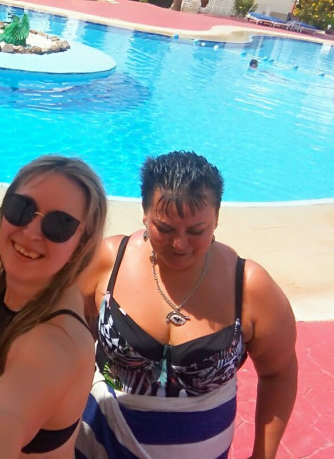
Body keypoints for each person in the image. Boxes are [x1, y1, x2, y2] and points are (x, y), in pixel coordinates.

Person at [76, 150, 297, 459]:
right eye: (164, 228)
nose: (179, 244)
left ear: (216, 219)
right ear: (144, 213)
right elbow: (65, 339)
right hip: (99, 444)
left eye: (196, 231)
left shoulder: (248, 287)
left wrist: (263, 454)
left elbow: (279, 372)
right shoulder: (108, 262)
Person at [0, 156, 108, 458]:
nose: (31, 232)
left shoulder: (56, 340)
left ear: (81, 242)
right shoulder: (15, 286)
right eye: (21, 208)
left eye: (59, 224)